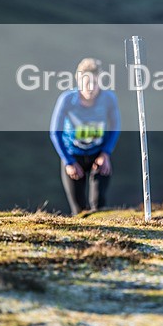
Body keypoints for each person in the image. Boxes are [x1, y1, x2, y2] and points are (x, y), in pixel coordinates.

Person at [50, 58, 121, 215]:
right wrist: (68, 162)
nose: (90, 88)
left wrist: (105, 154)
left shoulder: (108, 99)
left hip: (98, 155)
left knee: (99, 207)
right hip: (73, 155)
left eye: (94, 83)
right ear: (78, 81)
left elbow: (115, 127)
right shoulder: (67, 99)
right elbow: (55, 132)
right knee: (79, 210)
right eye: (86, 83)